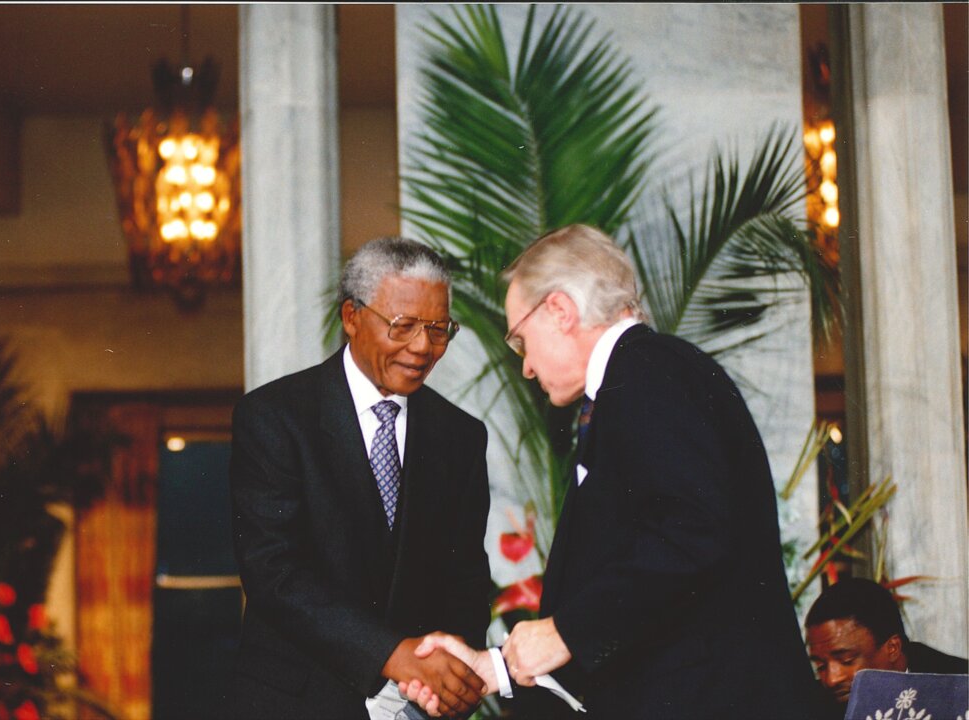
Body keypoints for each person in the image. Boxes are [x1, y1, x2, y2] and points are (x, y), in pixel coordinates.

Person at [405, 224, 819, 718]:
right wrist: (494, 668)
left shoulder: (646, 376)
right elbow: (644, 594)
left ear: (559, 311)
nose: (527, 368)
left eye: (520, 342)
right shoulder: (648, 374)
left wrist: (565, 633)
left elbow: (690, 535)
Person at [229, 236, 492, 719]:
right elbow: (274, 573)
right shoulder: (274, 417)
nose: (422, 347)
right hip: (295, 704)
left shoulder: (461, 437)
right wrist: (391, 655)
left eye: (439, 329)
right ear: (352, 317)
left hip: (415, 710)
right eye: (403, 326)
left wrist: (454, 674)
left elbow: (467, 581)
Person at [805, 577, 969, 718]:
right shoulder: (809, 706)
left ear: (893, 648)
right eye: (820, 666)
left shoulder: (960, 685)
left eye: (846, 660)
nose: (832, 679)